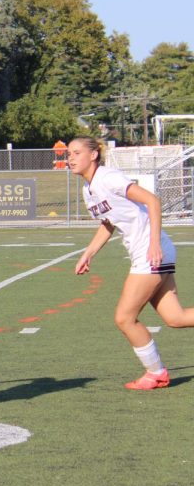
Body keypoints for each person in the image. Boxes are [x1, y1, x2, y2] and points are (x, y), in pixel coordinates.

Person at [67, 135, 194, 389]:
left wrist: (154, 243)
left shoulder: (108, 177)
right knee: (175, 318)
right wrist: (89, 253)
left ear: (93, 155)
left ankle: (156, 373)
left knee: (124, 318)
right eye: (68, 154)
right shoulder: (87, 189)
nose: (70, 158)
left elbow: (153, 201)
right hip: (151, 253)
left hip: (151, 253)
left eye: (76, 153)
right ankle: (156, 373)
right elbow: (108, 223)